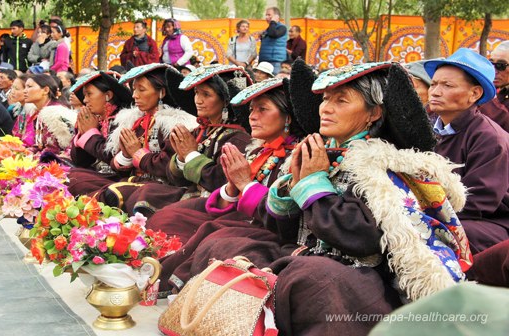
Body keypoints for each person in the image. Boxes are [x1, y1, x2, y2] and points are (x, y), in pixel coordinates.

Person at [187, 60, 472, 335]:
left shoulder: (381, 166)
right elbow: (288, 229)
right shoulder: (324, 153)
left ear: (373, 114)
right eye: (326, 99)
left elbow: (360, 239)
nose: (326, 108)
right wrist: (293, 185)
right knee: (225, 246)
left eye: (341, 100)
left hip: (365, 275)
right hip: (309, 256)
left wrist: (313, 184)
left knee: (312, 279)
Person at [147, 77, 308, 293]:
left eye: (262, 109)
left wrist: (243, 183)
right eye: (251, 109)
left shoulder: (295, 157)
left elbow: (286, 217)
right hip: (240, 220)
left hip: (270, 231)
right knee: (192, 223)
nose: (252, 116)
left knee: (217, 236)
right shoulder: (257, 150)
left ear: (287, 117)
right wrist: (233, 187)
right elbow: (226, 191)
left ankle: (183, 288)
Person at [103, 65, 253, 217]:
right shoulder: (197, 132)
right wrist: (180, 159)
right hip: (184, 194)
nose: (198, 100)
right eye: (196, 93)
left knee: (157, 208)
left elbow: (220, 180)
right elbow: (173, 176)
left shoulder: (237, 138)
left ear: (225, 101)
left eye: (206, 94)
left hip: (213, 204)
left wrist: (190, 156)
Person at [67, 63, 197, 203]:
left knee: (114, 193)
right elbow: (117, 166)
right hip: (134, 181)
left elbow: (169, 167)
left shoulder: (174, 124)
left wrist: (138, 154)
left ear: (162, 93)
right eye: (134, 89)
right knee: (74, 177)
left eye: (141, 89)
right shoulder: (134, 121)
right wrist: (125, 156)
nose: (135, 95)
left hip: (161, 187)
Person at [425, 48, 509, 254]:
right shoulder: (427, 127)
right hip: (437, 210)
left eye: (447, 85)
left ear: (475, 94)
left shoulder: (490, 139)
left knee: (430, 233)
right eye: (434, 84)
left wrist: (423, 212)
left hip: (489, 222)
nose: (435, 92)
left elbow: (478, 202)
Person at [67, 71, 133, 194]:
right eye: (84, 96)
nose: (85, 100)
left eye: (89, 94)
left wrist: (90, 134)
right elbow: (80, 162)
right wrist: (82, 132)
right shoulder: (96, 120)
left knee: (73, 179)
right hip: (98, 176)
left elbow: (114, 160)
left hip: (118, 180)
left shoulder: (124, 120)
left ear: (108, 95)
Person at [14, 74, 76, 154]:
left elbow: (55, 151)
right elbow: (40, 145)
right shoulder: (37, 112)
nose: (25, 91)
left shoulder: (55, 114)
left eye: (29, 87)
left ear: (46, 90)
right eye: (25, 87)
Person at [479, 41, 509, 132]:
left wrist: (489, 96)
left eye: (501, 65)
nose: (494, 71)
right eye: (491, 64)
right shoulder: (500, 90)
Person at [258, 7, 287, 75]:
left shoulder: (282, 27)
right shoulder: (269, 29)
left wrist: (273, 22)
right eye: (266, 15)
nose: (266, 17)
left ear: (276, 16)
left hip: (275, 62)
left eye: (269, 15)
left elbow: (273, 34)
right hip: (264, 61)